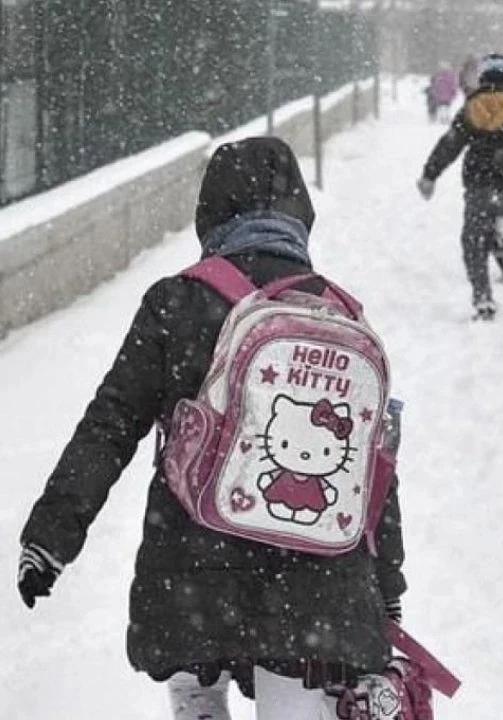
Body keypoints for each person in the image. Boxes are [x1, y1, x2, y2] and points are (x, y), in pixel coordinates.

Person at [15, 137, 407, 719]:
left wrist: (51, 535)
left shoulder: (177, 302)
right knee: (297, 695)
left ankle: (199, 700)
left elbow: (111, 423)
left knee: (195, 678)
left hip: (192, 568)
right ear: (300, 215)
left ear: (211, 213)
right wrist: (386, 590)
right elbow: (371, 469)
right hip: (315, 584)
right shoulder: (338, 315)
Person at [418, 53, 503, 320]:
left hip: (480, 184)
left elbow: (450, 144)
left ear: (482, 77)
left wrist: (429, 175)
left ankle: (483, 298)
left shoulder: (472, 109)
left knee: (473, 241)